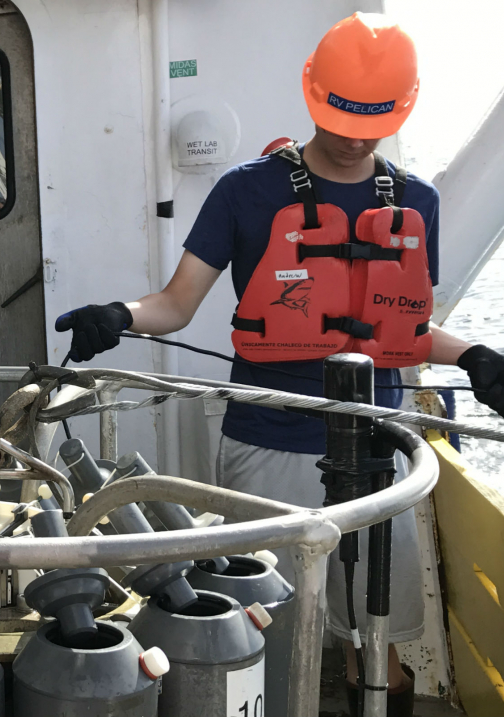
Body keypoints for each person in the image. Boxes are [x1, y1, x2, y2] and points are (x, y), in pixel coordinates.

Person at [54, 13, 504, 716]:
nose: (355, 138)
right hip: (262, 445)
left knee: (376, 641)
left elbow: (407, 329)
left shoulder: (416, 202)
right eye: (341, 118)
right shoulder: (244, 190)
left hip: (375, 457)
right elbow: (174, 304)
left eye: (374, 123)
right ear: (311, 93)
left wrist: (476, 355)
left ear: (401, 111)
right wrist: (116, 315)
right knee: (266, 629)